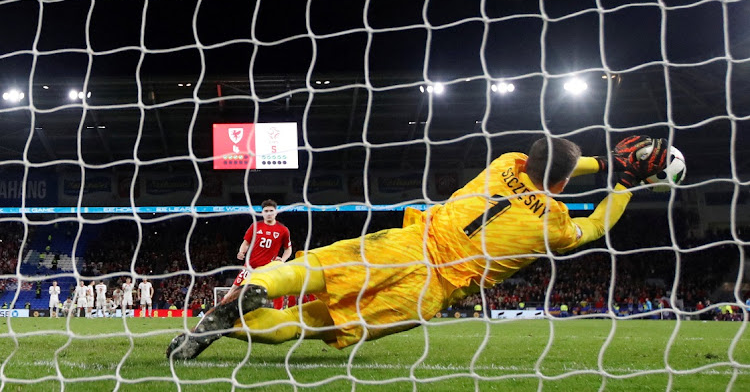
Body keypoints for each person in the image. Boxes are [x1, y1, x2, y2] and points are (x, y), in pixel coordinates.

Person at [167, 135, 669, 360]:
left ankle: (247, 292)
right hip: (434, 288)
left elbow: (551, 160)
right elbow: (596, 226)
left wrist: (603, 162)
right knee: (315, 325)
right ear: (559, 185)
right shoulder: (554, 223)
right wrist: (625, 182)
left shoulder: (504, 164)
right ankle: (232, 329)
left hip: (409, 240)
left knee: (311, 268)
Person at [221, 199, 293, 308]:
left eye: (271, 211)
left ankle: (279, 313)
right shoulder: (255, 226)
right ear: (262, 213)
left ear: (276, 212)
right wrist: (241, 251)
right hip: (251, 266)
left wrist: (282, 260)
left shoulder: (283, 230)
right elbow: (245, 243)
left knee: (279, 290)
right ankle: (220, 309)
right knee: (233, 290)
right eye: (266, 211)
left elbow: (288, 249)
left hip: (269, 268)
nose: (269, 213)